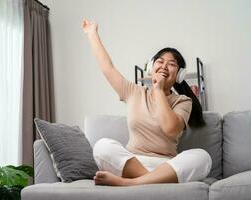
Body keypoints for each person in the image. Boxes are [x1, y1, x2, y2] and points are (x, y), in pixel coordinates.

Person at [82, 19, 212, 186]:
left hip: (166, 166)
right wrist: (92, 33)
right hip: (132, 163)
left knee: (202, 157)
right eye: (160, 61)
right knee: (102, 146)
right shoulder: (134, 91)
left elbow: (170, 129)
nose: (165, 66)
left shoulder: (183, 101)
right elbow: (108, 68)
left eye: (171, 64)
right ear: (151, 67)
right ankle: (152, 181)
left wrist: (158, 90)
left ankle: (131, 184)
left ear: (179, 75)